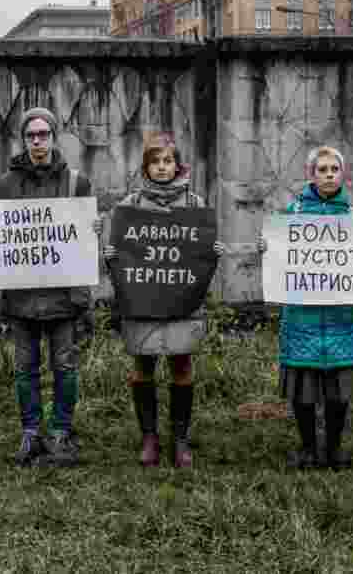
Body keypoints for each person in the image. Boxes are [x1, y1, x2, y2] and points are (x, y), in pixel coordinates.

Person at [0, 107, 101, 468]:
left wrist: (95, 231)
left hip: (63, 295)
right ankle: (30, 432)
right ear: (23, 139)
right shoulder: (6, 185)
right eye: (32, 135)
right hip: (21, 295)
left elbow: (83, 238)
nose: (38, 141)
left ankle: (60, 431)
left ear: (54, 137)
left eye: (44, 134)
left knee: (65, 367)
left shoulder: (77, 183)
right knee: (24, 369)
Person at [103, 132, 225, 469]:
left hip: (181, 302)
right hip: (141, 302)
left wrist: (212, 253)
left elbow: (201, 259)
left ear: (177, 165)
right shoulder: (129, 207)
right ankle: (149, 437)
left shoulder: (195, 205)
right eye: (154, 162)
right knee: (142, 365)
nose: (161, 167)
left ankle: (181, 439)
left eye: (167, 161)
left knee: (181, 365)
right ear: (146, 166)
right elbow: (120, 255)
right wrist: (111, 255)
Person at [258, 146, 353, 470]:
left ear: (342, 175)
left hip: (341, 318)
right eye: (321, 169)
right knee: (304, 388)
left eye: (333, 169)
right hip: (302, 317)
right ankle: (309, 448)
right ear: (311, 175)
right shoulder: (293, 215)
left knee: (339, 391)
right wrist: (267, 247)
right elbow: (279, 255)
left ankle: (335, 449)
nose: (327, 175)